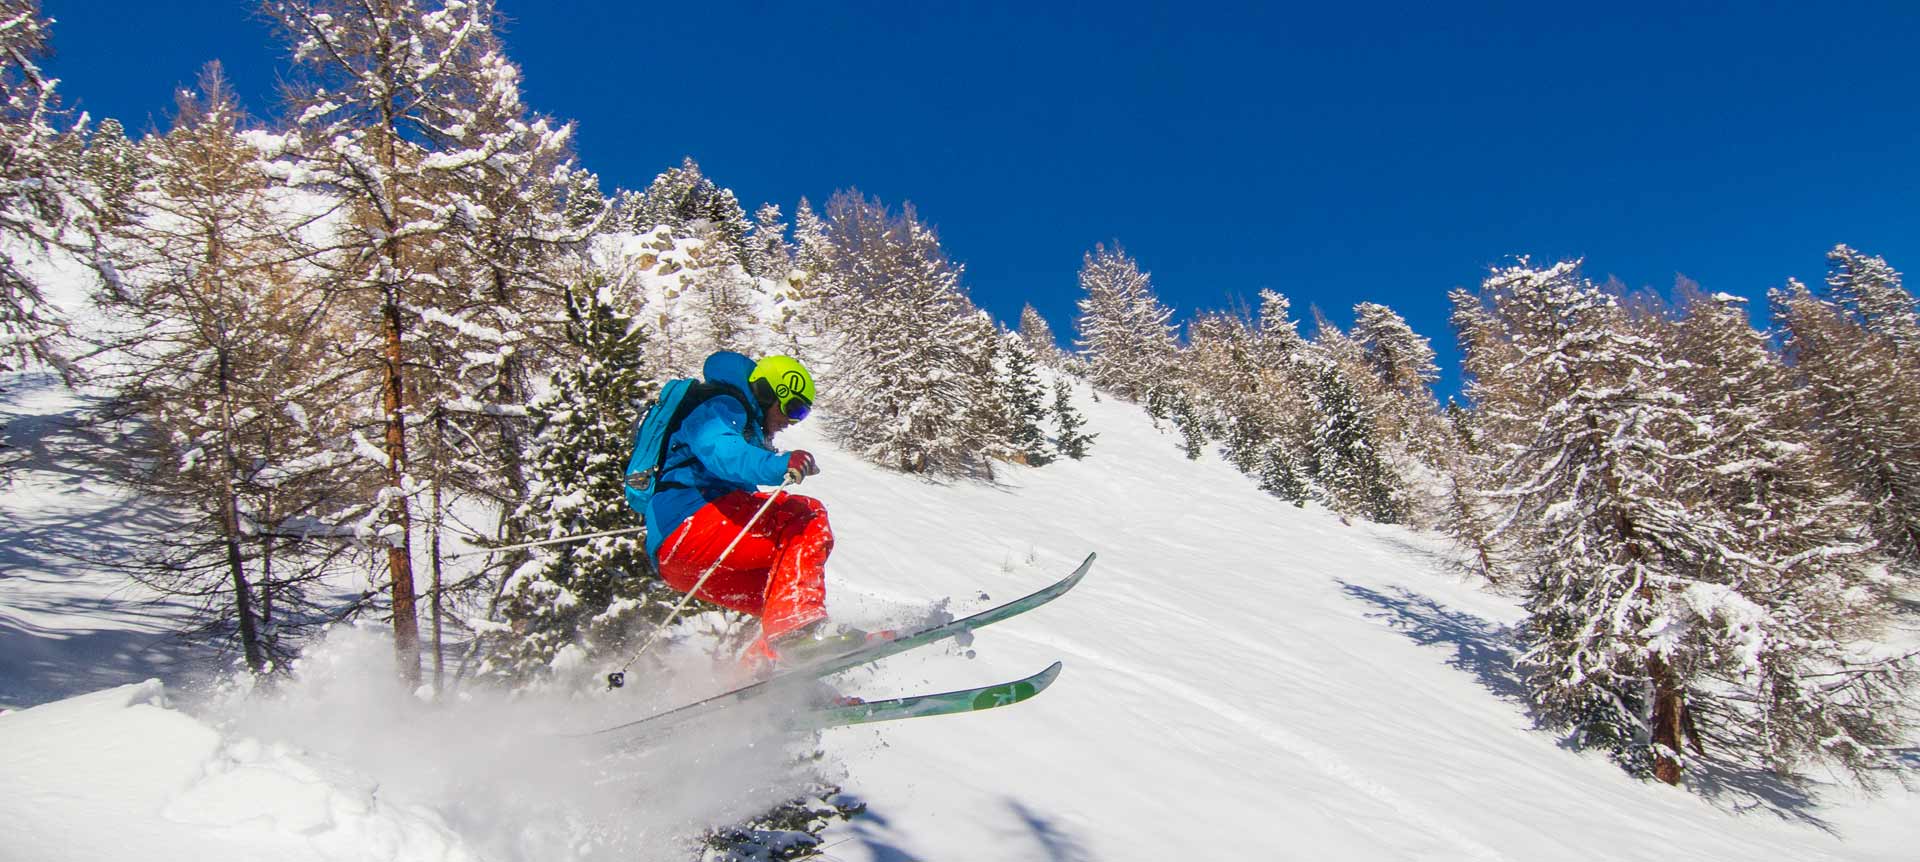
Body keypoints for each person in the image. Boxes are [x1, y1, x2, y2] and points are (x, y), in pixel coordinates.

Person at [642, 350, 848, 667]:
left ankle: (769, 677)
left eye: (801, 415)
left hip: (677, 561)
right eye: (793, 408)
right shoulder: (723, 406)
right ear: (768, 392)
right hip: (691, 524)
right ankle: (797, 636)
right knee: (805, 517)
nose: (791, 421)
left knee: (781, 588)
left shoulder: (745, 426)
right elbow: (722, 451)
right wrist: (780, 464)